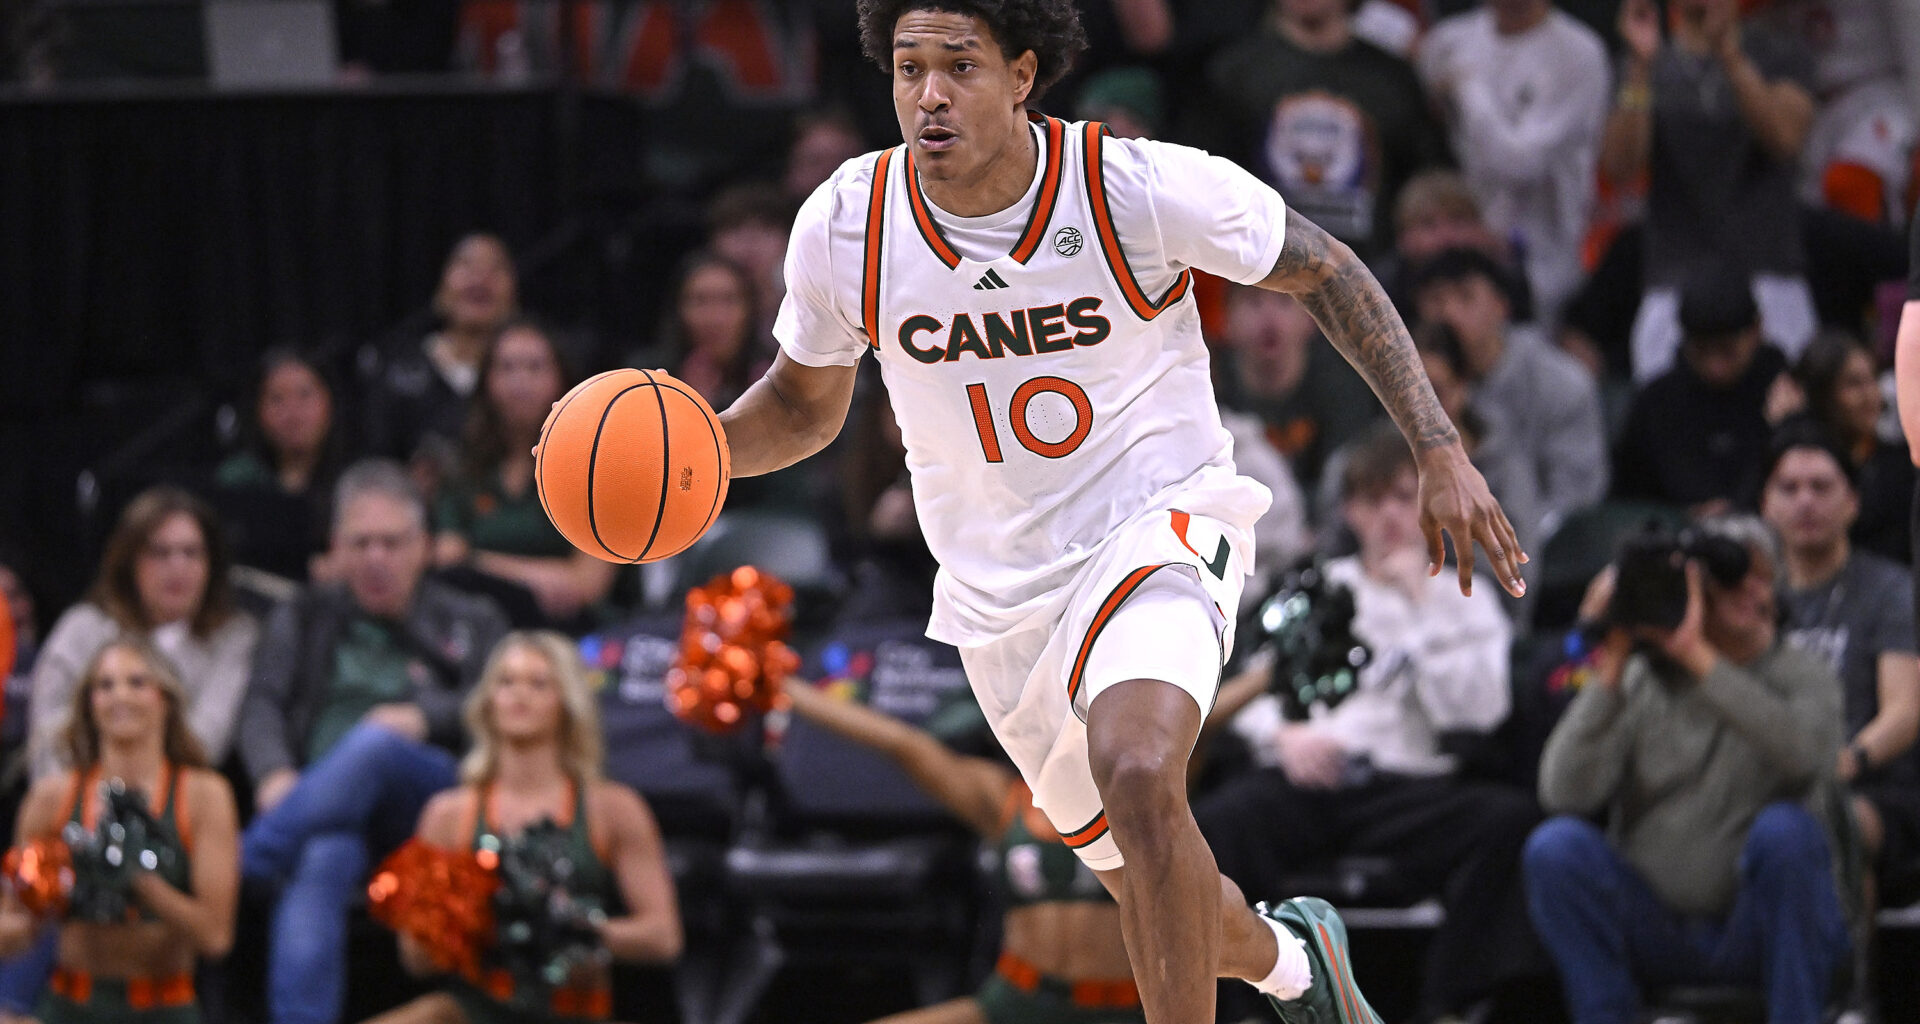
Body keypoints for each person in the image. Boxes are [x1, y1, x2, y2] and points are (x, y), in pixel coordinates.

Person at [709, 3, 1529, 1023]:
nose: (928, 95)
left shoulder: (1130, 187)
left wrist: (1436, 445)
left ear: (1021, 73)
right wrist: (699, 452)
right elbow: (801, 404)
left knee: (1142, 770)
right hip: (1000, 600)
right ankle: (1291, 958)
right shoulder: (849, 221)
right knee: (1160, 884)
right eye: (909, 67)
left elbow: (1325, 267)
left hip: (1160, 523)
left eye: (957, 66)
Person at [1199, 424, 1540, 1024]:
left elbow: (1480, 714)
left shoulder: (1465, 596)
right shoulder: (1320, 587)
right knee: (1218, 825)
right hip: (1310, 779)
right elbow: (1255, 690)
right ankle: (1229, 1010)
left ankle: (1449, 1003)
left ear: (1429, 504)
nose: (1388, 516)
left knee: (1509, 823)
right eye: (1372, 500)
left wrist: (1420, 608)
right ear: (1351, 512)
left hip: (1408, 791)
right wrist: (1284, 736)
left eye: (1404, 498)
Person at [1524, 514, 1851, 1024]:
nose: (1749, 590)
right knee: (1556, 847)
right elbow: (1563, 792)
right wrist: (1611, 662)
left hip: (1762, 933)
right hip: (1657, 930)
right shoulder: (1639, 681)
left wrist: (1698, 657)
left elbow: (1808, 758)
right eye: (1727, 580)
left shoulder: (1803, 676)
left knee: (1787, 833)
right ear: (1690, 590)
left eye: (1761, 576)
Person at [238, 459, 509, 1024]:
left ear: (423, 547)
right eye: (360, 544)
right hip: (327, 807)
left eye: (391, 543)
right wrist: (271, 773)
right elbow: (261, 703)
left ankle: (244, 862)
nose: (375, 559)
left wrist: (423, 717)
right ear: (336, 549)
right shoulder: (306, 615)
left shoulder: (472, 617)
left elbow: (506, 700)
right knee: (320, 856)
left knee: (378, 743)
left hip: (436, 800)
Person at [781, 675, 1145, 1024]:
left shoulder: (1141, 789)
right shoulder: (1005, 798)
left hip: (1123, 1008)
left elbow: (1201, 718)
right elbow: (901, 743)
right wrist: (779, 684)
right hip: (1016, 1003)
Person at [364, 631, 682, 1024]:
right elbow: (415, 958)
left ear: (566, 702)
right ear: (488, 700)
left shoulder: (613, 808)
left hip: (574, 1010)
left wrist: (573, 930)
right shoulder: (448, 814)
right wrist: (473, 922)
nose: (519, 695)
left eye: (539, 683)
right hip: (472, 1011)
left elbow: (663, 938)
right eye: (506, 681)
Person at [0, 637, 240, 1024]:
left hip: (164, 1008)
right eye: (104, 685)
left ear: (165, 698)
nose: (120, 696)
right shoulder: (52, 796)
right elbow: (9, 928)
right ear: (89, 703)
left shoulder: (204, 795)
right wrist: (43, 904)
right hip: (69, 1004)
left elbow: (216, 938)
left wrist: (139, 881)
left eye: (136, 683)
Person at [1605, 0, 1819, 381]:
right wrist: (1639, 67)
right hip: (1673, 279)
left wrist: (1728, 53)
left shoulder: (1781, 53)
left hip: (1769, 271)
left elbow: (1785, 139)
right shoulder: (1650, 60)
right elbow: (1620, 167)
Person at [1762, 429, 1920, 908]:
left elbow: (1906, 712)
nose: (1805, 501)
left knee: (1828, 829)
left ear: (1852, 502)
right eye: (1788, 488)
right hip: (1766, 785)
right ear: (1766, 505)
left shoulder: (1890, 590)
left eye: (1821, 487)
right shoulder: (1751, 597)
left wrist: (1842, 764)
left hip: (1874, 787)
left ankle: (1848, 982)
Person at [28, 487, 259, 782]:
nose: (178, 567)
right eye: (160, 552)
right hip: (76, 799)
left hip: (175, 806)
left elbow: (204, 744)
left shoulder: (234, 636)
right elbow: (48, 738)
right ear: (129, 561)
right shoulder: (83, 627)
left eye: (192, 553)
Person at [1202, 0, 1448, 261]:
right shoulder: (1233, 71)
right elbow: (1208, 181)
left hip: (1373, 268)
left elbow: (1425, 183)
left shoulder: (1392, 79)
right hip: (1260, 272)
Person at [1416, 0, 1610, 322]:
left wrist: (1465, 84)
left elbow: (1520, 164)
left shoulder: (1579, 54)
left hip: (1547, 266)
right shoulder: (1447, 42)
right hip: (1460, 253)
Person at [1412, 246, 1607, 550]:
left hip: (1535, 551)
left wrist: (1505, 539)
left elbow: (1574, 498)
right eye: (1437, 300)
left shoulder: (1561, 383)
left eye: (1465, 297)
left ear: (1501, 306)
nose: (1449, 313)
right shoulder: (1413, 379)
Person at [434, 320, 616, 629]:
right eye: (506, 367)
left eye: (535, 367)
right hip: (478, 629)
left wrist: (477, 563)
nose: (520, 381)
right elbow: (446, 559)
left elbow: (585, 585)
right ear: (486, 380)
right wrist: (543, 576)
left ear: (562, 379)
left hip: (576, 632)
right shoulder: (463, 469)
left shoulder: (599, 467)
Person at [1611, 264, 1790, 514]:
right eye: (1701, 351)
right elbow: (1627, 501)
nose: (1715, 366)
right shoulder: (1657, 403)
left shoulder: (1787, 394)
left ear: (1756, 331)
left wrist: (1788, 426)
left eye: (1727, 350)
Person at [364, 233, 519, 494]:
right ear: (441, 285)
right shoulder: (397, 364)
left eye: (495, 268)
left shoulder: (528, 367)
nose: (481, 278)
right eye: (466, 265)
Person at [1216, 286, 1381, 496]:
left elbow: (1349, 480)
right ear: (1226, 320)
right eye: (1253, 302)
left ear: (1311, 318)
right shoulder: (1207, 386)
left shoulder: (1345, 388)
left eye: (1284, 302)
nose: (1269, 318)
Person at [1772, 332, 1914, 562]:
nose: (1871, 396)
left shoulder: (1901, 466)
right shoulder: (1792, 460)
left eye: (1873, 380)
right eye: (1853, 384)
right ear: (1823, 394)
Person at [214, 348, 346, 583]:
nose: (293, 413)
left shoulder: (357, 476)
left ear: (330, 401)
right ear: (257, 410)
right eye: (277, 399)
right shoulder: (237, 479)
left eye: (305, 395)